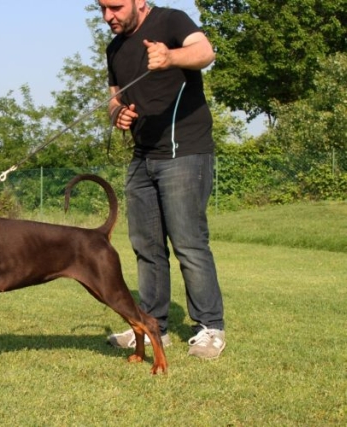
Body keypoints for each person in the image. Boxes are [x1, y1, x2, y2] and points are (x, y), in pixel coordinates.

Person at [98, 0, 226, 359]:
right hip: (143, 157)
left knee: (189, 244)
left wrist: (170, 57)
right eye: (102, 9)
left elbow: (205, 52)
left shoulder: (171, 20)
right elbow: (113, 97)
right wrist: (117, 113)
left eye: (115, 7)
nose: (108, 16)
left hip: (185, 151)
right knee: (146, 247)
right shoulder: (114, 48)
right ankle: (154, 326)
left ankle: (210, 328)